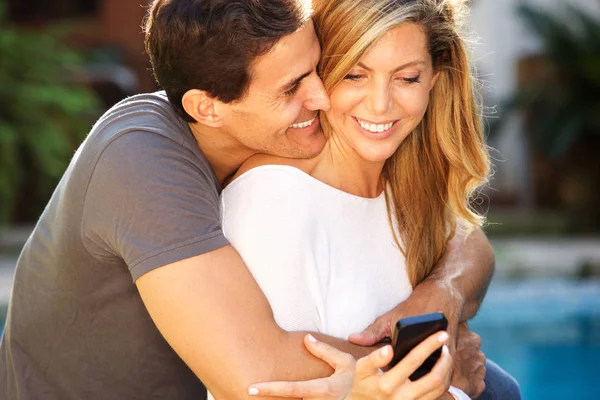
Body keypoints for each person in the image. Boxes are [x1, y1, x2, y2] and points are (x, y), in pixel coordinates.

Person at [0, 0, 518, 399]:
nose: (321, 96)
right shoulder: (140, 162)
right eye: (293, 87)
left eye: (318, 68)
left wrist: (442, 295)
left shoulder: (290, 146)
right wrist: (436, 360)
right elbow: (253, 374)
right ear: (209, 108)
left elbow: (464, 238)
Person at [217, 0, 518, 399]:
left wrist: (441, 292)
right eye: (355, 75)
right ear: (320, 76)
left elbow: (471, 242)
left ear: (435, 79)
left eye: (407, 78)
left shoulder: (403, 182)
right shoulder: (273, 199)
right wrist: (448, 390)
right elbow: (267, 390)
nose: (380, 104)